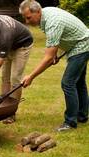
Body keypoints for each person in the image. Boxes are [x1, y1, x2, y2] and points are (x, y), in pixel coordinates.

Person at [19, 0, 89, 131]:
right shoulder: (46, 15)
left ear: (38, 11)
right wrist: (55, 53)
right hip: (79, 43)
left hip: (82, 46)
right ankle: (82, 115)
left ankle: (70, 122)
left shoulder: (52, 22)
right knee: (78, 82)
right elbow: (58, 39)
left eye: (28, 17)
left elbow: (48, 58)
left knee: (67, 83)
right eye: (25, 18)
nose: (27, 22)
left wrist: (31, 76)